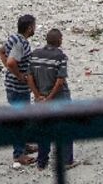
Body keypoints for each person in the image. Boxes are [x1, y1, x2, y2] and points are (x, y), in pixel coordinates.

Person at [29, 28, 77, 171]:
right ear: (58, 41)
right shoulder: (60, 56)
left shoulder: (34, 54)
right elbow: (60, 81)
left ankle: (41, 161)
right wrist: (50, 98)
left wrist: (37, 95)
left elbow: (29, 77)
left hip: (40, 98)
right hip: (59, 99)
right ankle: (67, 160)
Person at [0, 13, 36, 165]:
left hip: (11, 85)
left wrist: (9, 68)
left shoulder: (13, 38)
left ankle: (23, 146)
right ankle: (19, 154)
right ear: (28, 28)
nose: (35, 28)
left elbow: (1, 51)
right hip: (18, 88)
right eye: (34, 26)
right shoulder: (21, 44)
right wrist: (19, 75)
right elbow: (12, 62)